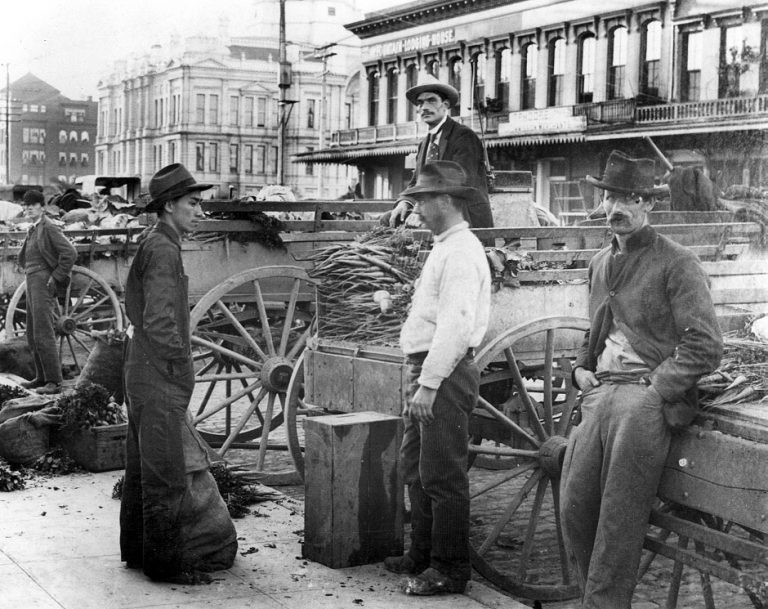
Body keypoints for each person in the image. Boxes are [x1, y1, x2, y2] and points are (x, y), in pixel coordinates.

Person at [560, 150, 723, 608]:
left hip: (645, 399)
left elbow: (706, 345)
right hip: (601, 393)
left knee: (618, 518)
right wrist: (578, 368)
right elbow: (591, 328)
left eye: (630, 198)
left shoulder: (677, 262)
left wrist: (657, 389)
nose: (618, 208)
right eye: (611, 196)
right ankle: (597, 598)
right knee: (574, 508)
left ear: (649, 205)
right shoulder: (599, 263)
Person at [120, 163, 237, 584]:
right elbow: (161, 323)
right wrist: (179, 372)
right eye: (193, 203)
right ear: (169, 206)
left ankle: (136, 552)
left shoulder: (156, 242)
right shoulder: (165, 249)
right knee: (166, 477)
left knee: (140, 468)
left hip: (140, 370)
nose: (199, 211)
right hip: (157, 375)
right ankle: (165, 567)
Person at [383, 161, 491, 596]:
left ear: (446, 201)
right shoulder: (445, 246)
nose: (417, 210)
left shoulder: (462, 252)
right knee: (416, 468)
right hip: (428, 369)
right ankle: (422, 554)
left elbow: (456, 327)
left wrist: (428, 384)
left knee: (443, 476)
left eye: (423, 201)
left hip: (444, 374)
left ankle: (449, 567)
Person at [382, 74, 493, 229]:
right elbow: (416, 182)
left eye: (432, 100)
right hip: (436, 212)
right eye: (420, 103)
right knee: (389, 219)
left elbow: (458, 183)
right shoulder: (424, 144)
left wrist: (420, 210)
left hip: (463, 213)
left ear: (445, 105)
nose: (424, 107)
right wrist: (404, 202)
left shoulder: (463, 136)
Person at [17, 189, 76, 394]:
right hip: (32, 280)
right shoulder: (33, 228)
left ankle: (54, 381)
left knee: (43, 331)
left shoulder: (48, 227)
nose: (28, 209)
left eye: (32, 205)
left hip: (43, 282)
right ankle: (41, 377)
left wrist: (56, 276)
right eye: (25, 206)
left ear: (42, 207)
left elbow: (70, 252)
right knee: (33, 332)